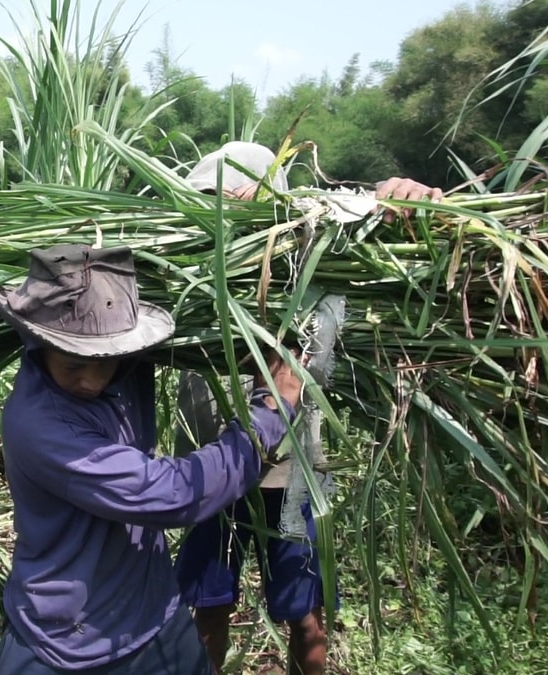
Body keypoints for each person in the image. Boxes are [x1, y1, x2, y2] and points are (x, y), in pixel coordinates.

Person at [173, 141, 443, 675]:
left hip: (292, 478)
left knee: (305, 612)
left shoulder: (316, 268)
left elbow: (370, 215)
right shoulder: (184, 277)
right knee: (208, 604)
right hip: (211, 472)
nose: (221, 215)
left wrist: (401, 196)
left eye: (233, 200)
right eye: (208, 201)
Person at [0, 243, 305, 673]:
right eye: (72, 363)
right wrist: (271, 411)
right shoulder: (40, 425)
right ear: (38, 341)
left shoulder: (122, 358)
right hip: (70, 640)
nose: (93, 379)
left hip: (152, 609)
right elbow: (172, 494)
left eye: (107, 360)